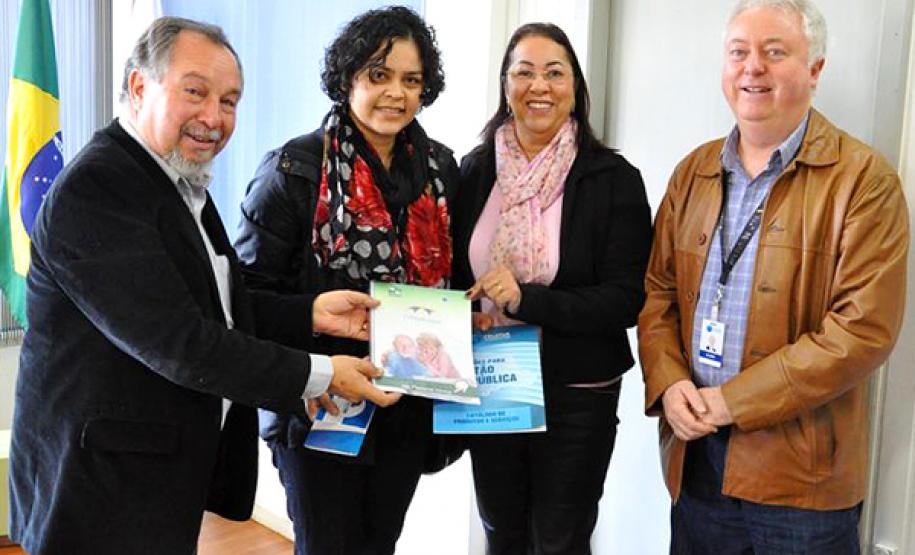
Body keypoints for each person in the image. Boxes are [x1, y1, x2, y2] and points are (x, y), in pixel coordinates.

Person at [8, 17, 397, 555]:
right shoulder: (97, 187)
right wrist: (322, 374)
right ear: (140, 86)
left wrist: (309, 313)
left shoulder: (177, 181)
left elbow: (217, 306)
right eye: (195, 92)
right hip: (95, 488)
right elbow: (180, 341)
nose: (214, 118)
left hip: (152, 477)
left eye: (229, 101)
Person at [638, 1, 909, 552]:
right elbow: (657, 293)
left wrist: (733, 401)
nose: (752, 67)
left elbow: (861, 332)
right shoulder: (694, 172)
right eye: (738, 52)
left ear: (815, 69)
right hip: (698, 461)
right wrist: (669, 383)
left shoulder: (863, 180)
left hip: (803, 480)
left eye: (774, 51)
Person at [233, 6, 458, 554]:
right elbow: (246, 297)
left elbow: (453, 279)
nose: (396, 94)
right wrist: (312, 321)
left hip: (406, 399)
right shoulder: (294, 169)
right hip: (321, 401)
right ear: (347, 77)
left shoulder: (441, 169)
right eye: (379, 75)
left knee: (379, 543)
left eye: (411, 80)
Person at [452, 22, 652, 554]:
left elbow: (625, 299)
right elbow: (451, 276)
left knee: (559, 539)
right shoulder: (474, 172)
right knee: (500, 530)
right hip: (493, 376)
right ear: (505, 86)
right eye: (524, 72)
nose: (538, 85)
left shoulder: (612, 179)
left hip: (577, 391)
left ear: (575, 88)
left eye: (554, 73)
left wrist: (526, 299)